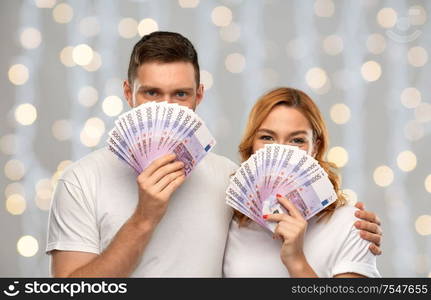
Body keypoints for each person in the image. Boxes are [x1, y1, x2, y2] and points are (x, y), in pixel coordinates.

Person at [46, 31, 382, 277]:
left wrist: (354, 226)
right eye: (151, 92)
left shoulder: (228, 180)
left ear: (199, 96)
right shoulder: (81, 180)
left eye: (180, 93)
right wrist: (144, 217)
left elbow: (287, 205)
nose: (166, 107)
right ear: (127, 93)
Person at [223, 87, 381, 277]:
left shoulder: (352, 225)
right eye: (267, 137)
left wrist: (296, 261)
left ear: (315, 147)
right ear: (251, 146)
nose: (281, 152)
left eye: (297, 140)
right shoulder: (229, 221)